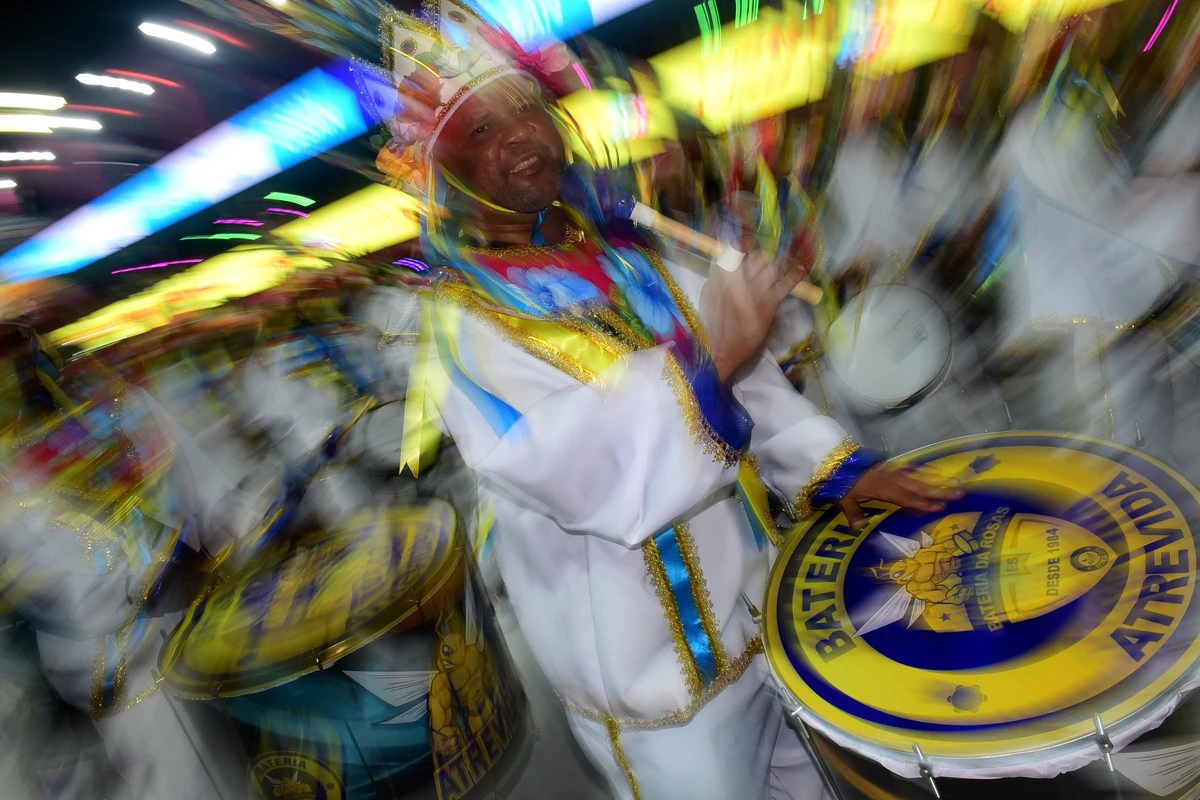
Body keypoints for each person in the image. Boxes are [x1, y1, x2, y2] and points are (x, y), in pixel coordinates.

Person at [374, 4, 959, 798]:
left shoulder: (628, 257)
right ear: (443, 172)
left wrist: (836, 466)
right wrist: (712, 357)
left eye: (524, 107)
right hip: (658, 695)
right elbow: (564, 462)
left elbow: (745, 378)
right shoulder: (461, 325)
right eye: (478, 131)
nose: (518, 136)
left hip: (763, 622)